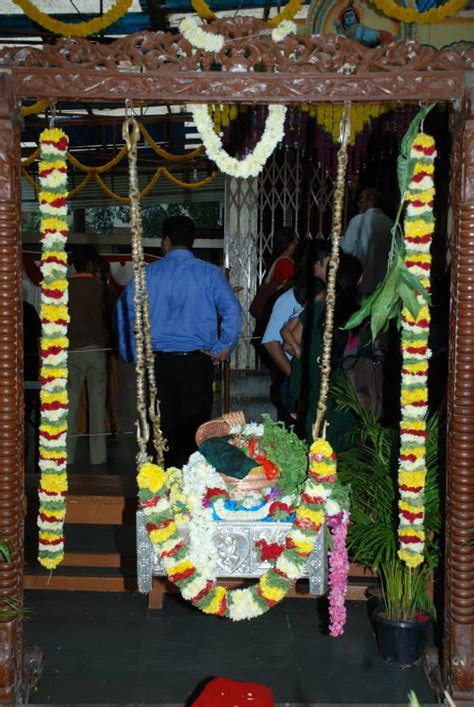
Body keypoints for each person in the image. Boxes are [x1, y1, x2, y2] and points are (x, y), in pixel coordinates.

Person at [116, 215, 242, 468]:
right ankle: (192, 493)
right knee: (195, 434)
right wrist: (222, 347)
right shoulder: (210, 274)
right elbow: (232, 310)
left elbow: (124, 312)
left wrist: (131, 352)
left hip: (158, 366)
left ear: (166, 242)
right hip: (198, 363)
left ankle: (158, 493)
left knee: (159, 430)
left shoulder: (147, 274)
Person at [289, 251, 370, 449]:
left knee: (317, 463)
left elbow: (295, 344)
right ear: (359, 279)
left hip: (317, 401)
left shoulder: (316, 310)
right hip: (349, 405)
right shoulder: (364, 319)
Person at [262, 239, 331, 423]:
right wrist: (296, 376)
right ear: (316, 265)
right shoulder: (290, 298)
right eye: (329, 263)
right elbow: (271, 342)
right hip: (299, 384)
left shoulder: (329, 296)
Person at [67, 246, 114, 466]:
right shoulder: (101, 288)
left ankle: (66, 456)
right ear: (89, 265)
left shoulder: (61, 288)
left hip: (68, 351)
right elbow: (111, 319)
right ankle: (98, 457)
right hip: (97, 350)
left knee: (69, 404)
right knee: (97, 404)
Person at [340, 186, 393, 298]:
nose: (359, 205)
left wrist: (341, 238)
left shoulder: (358, 220)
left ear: (370, 202)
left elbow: (346, 248)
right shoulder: (390, 223)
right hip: (383, 284)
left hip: (362, 283)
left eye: (362, 201)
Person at [249, 227, 299, 342]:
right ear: (290, 245)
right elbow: (288, 289)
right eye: (296, 242)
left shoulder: (276, 260)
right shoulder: (285, 263)